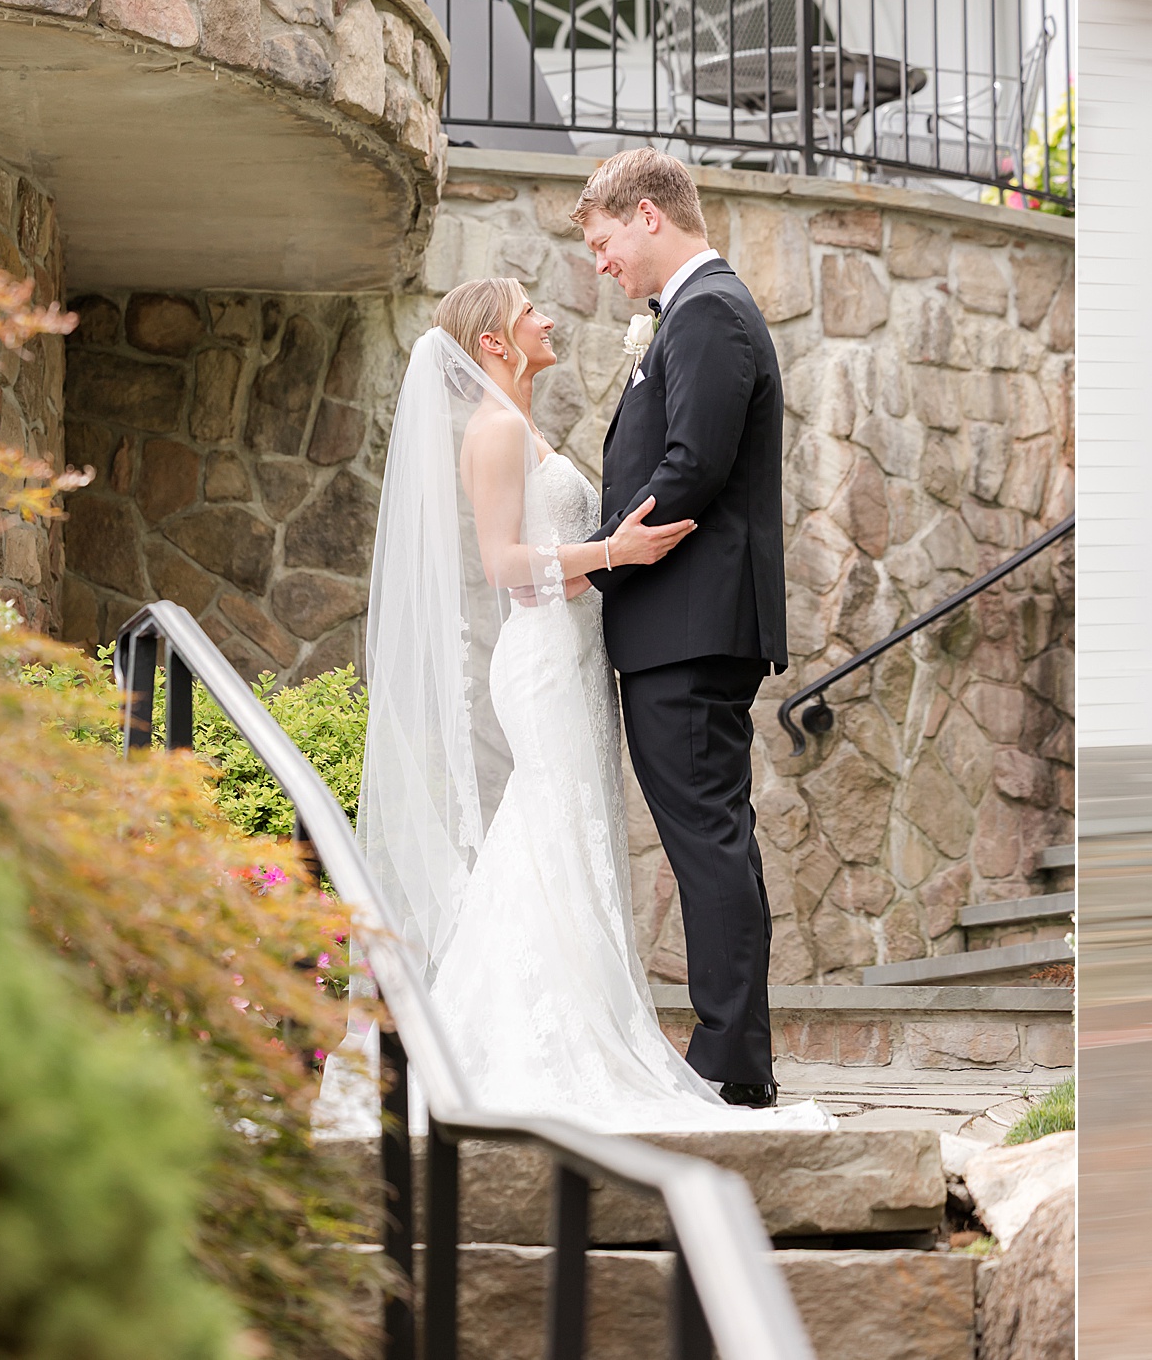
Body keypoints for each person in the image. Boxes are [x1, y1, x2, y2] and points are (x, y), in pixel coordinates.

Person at [322, 278, 829, 1134]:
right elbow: (500, 563)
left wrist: (605, 559)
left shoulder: (523, 427)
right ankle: (523, 1039)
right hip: (546, 661)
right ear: (493, 342)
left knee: (575, 829)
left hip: (580, 650)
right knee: (550, 827)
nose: (548, 317)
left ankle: (583, 1020)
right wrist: (614, 551)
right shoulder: (490, 432)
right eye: (529, 310)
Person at [574, 148, 791, 1107]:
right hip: (683, 624)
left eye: (604, 238)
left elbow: (691, 465)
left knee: (706, 838)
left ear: (651, 216)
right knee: (713, 837)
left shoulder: (707, 314)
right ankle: (731, 1052)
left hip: (689, 623)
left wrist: (605, 557)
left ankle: (730, 1063)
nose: (601, 261)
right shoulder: (692, 315)